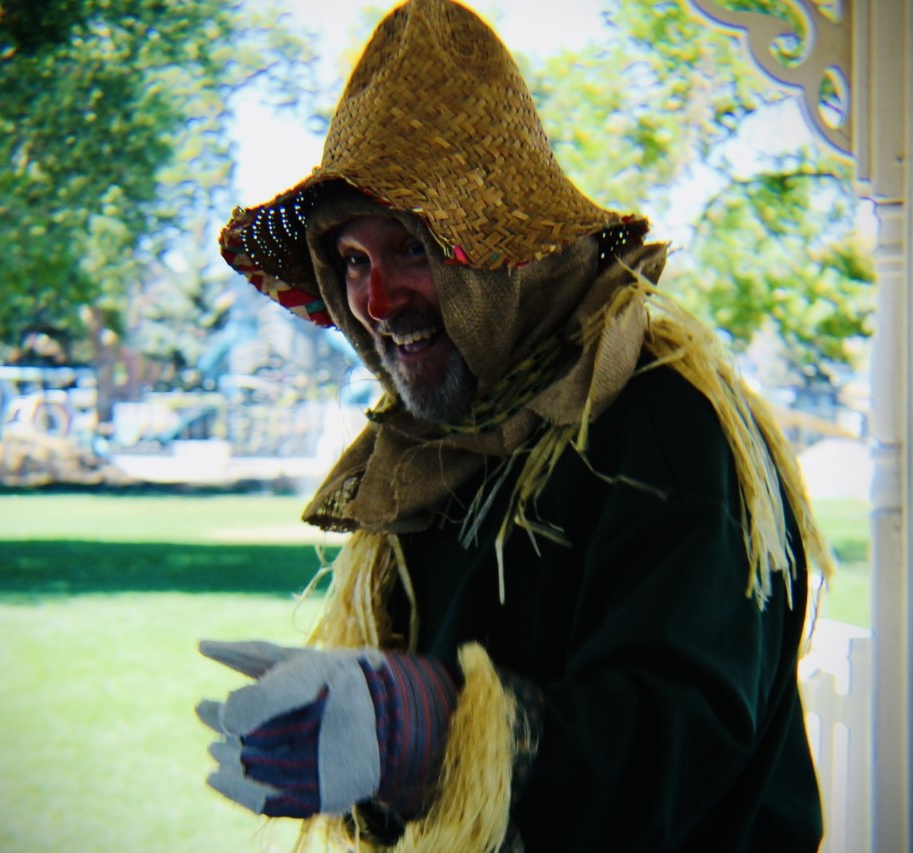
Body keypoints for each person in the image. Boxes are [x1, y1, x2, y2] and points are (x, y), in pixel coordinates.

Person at [196, 1, 834, 849]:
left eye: (411, 249)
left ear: (506, 250)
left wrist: (440, 734)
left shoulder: (663, 422)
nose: (377, 303)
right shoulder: (439, 452)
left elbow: (683, 743)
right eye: (353, 260)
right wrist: (360, 747)